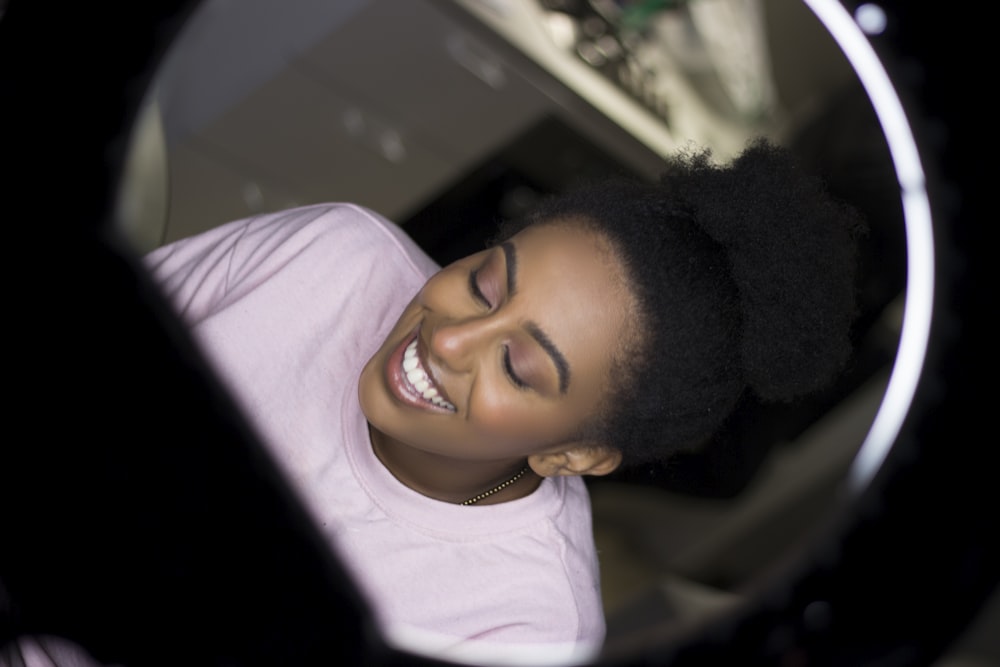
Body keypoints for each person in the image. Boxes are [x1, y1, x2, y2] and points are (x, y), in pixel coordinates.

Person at [142, 138, 864, 663]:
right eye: (485, 283)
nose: (451, 341)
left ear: (570, 452)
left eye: (517, 366)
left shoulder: (524, 626)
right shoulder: (330, 257)